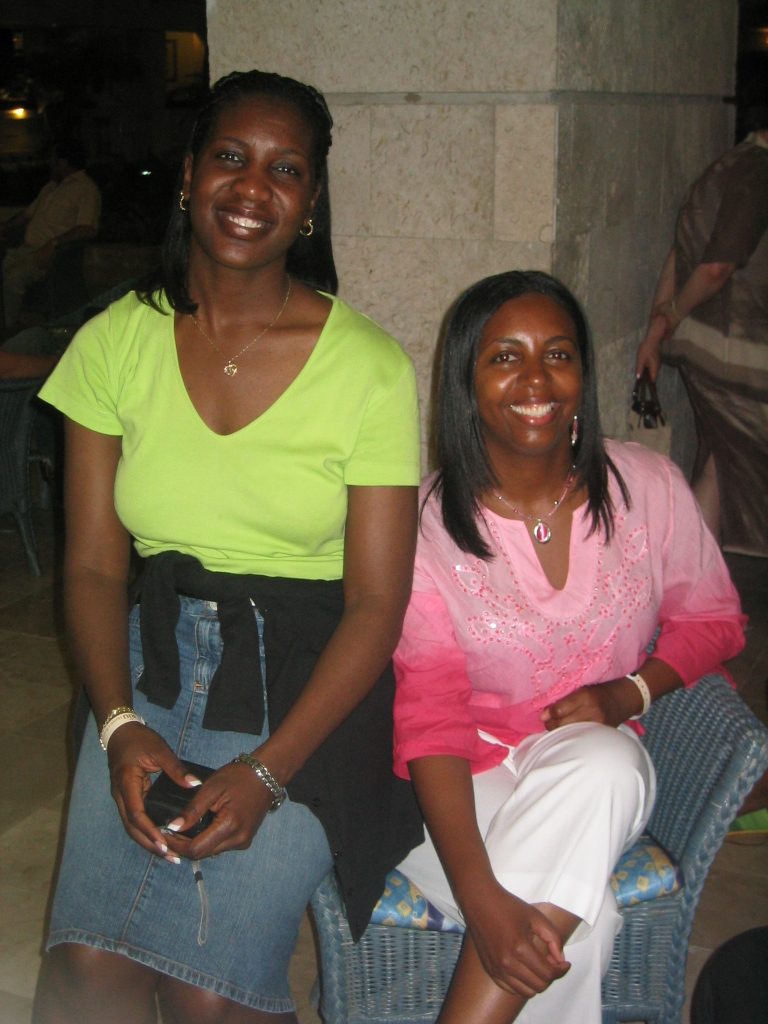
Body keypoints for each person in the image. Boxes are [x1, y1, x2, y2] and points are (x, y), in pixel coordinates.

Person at [32, 69, 423, 1024]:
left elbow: (378, 606)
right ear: (188, 174)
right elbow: (93, 566)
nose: (253, 188)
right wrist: (118, 724)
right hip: (149, 664)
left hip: (308, 679)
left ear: (312, 200)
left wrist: (269, 771)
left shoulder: (370, 368)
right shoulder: (114, 342)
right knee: (87, 974)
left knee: (209, 997)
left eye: (285, 169)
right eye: (231, 158)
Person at [392, 270, 746, 1024]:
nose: (535, 379)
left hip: (594, 770)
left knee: (604, 759)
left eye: (557, 354)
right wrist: (483, 902)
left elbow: (714, 619)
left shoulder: (646, 487)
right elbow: (430, 716)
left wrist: (629, 693)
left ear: (583, 374)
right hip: (455, 787)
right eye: (504, 357)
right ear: (465, 381)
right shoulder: (423, 526)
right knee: (583, 921)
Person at [635, 124, 768, 556]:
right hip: (732, 355)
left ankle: (690, 577)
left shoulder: (728, 166)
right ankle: (698, 573)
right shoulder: (756, 173)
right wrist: (669, 318)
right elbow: (716, 267)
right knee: (745, 478)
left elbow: (680, 254)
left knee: (721, 466)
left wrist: (658, 329)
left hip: (711, 351)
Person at [1, 138, 101, 330]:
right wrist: (5, 227)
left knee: (13, 278)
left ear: (63, 162)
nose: (49, 163)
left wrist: (54, 243)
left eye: (52, 159)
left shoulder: (86, 189)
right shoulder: (51, 187)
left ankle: (9, 328)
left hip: (49, 254)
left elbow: (87, 228)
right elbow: (27, 215)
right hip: (26, 249)